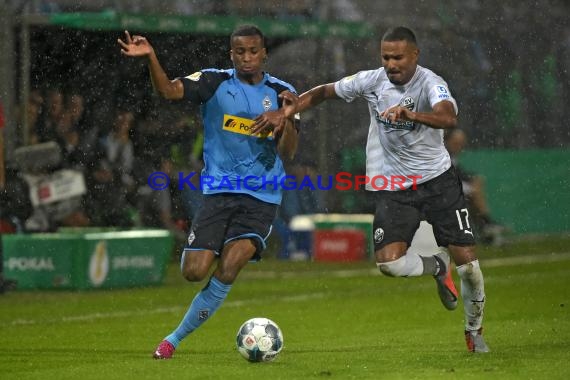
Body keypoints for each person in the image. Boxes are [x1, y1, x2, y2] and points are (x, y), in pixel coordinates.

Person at [253, 26, 489, 353]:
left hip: (438, 182)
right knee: (389, 264)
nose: (391, 64)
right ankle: (436, 265)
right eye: (386, 57)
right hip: (394, 187)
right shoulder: (372, 80)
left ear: (415, 56)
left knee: (470, 267)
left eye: (398, 57)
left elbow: (447, 118)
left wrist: (411, 114)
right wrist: (287, 111)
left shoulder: (432, 83)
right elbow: (324, 92)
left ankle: (474, 331)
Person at [117, 24, 299, 359]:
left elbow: (288, 152)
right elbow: (169, 91)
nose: (247, 57)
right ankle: (212, 245)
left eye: (253, 51)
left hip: (261, 196)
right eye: (240, 51)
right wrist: (151, 58)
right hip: (219, 193)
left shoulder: (283, 92)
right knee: (193, 271)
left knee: (229, 268)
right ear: (231, 54)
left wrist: (284, 121)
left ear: (264, 53)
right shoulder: (214, 82)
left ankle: (171, 341)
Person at [444, 128, 507, 245]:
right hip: (441, 188)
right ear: (447, 141)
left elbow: (458, 172)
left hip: (448, 187)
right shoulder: (441, 154)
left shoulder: (450, 156)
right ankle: (486, 224)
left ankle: (485, 228)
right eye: (456, 143)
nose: (459, 147)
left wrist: (472, 178)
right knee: (474, 191)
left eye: (461, 144)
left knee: (474, 188)